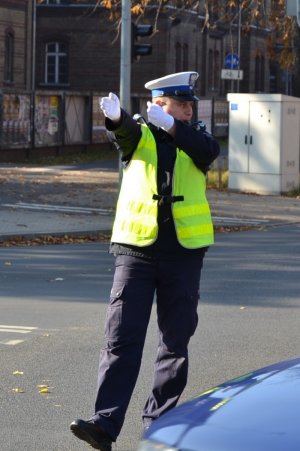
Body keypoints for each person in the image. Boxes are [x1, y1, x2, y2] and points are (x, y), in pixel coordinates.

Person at [70, 71, 220, 451]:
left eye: (188, 105)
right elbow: (124, 138)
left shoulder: (196, 134)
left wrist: (174, 126)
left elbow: (207, 153)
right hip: (137, 251)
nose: (188, 109)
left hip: (183, 254)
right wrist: (117, 119)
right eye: (179, 105)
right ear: (158, 105)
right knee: (122, 338)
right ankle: (104, 424)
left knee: (175, 343)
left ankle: (160, 424)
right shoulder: (141, 133)